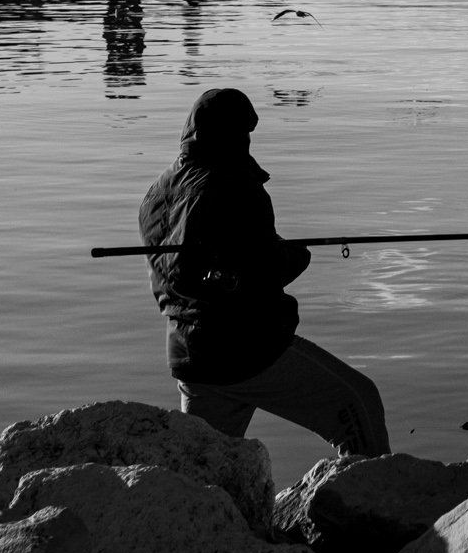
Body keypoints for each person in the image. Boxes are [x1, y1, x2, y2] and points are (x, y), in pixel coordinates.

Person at [137, 87, 390, 455]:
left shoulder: (157, 192)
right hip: (246, 351)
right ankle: (372, 490)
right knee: (359, 401)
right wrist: (297, 256)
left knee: (207, 465)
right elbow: (265, 268)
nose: (247, 140)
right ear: (231, 133)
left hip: (190, 357)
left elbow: (194, 268)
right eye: (243, 131)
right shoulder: (233, 183)